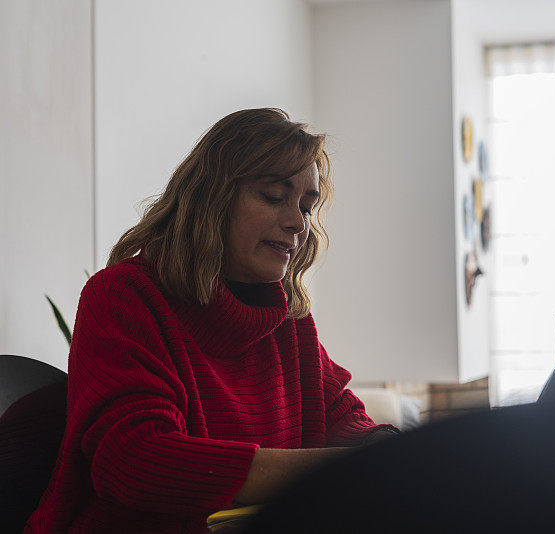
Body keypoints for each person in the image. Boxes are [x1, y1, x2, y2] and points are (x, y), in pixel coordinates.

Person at [26, 108, 397, 533]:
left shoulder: (287, 316)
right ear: (212, 196)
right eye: (274, 197)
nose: (298, 222)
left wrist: (386, 448)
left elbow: (340, 416)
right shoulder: (123, 296)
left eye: (307, 207)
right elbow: (136, 462)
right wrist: (350, 468)